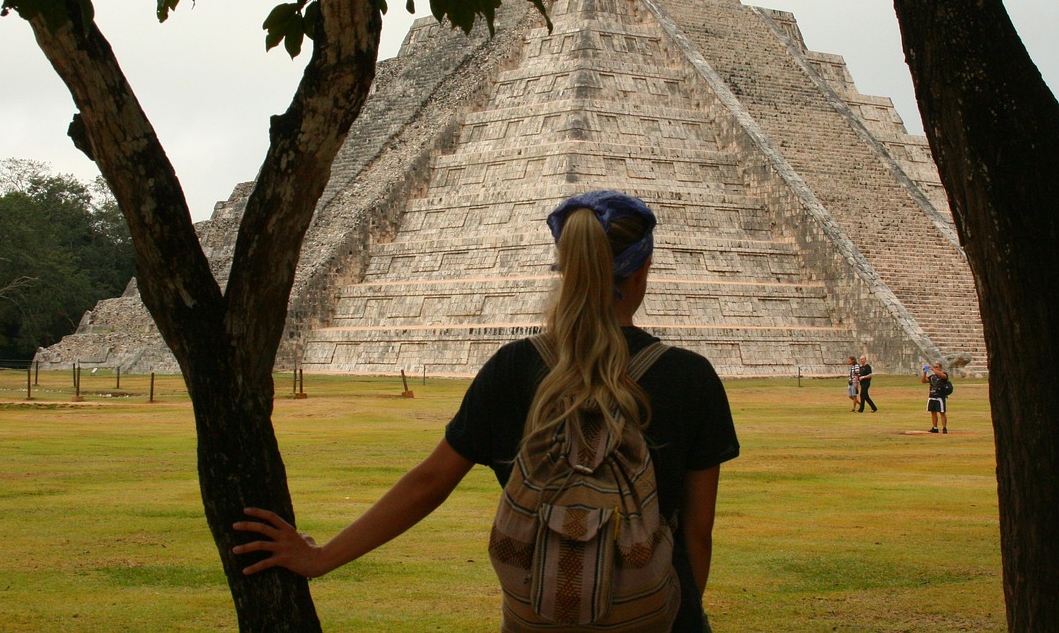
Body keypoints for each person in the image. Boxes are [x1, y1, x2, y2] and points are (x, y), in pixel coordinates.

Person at [232, 190, 741, 632]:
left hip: (537, 617)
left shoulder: (515, 368)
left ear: (566, 268)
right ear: (643, 269)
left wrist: (320, 558)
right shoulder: (689, 377)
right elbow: (697, 533)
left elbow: (430, 482)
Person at [922, 361, 950, 433]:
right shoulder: (932, 377)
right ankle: (935, 427)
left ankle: (944, 428)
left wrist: (933, 369)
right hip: (932, 396)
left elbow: (943, 376)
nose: (935, 368)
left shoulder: (944, 375)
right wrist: (925, 372)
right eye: (934, 367)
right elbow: (924, 381)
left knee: (942, 412)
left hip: (940, 396)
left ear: (940, 368)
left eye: (936, 367)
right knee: (933, 412)